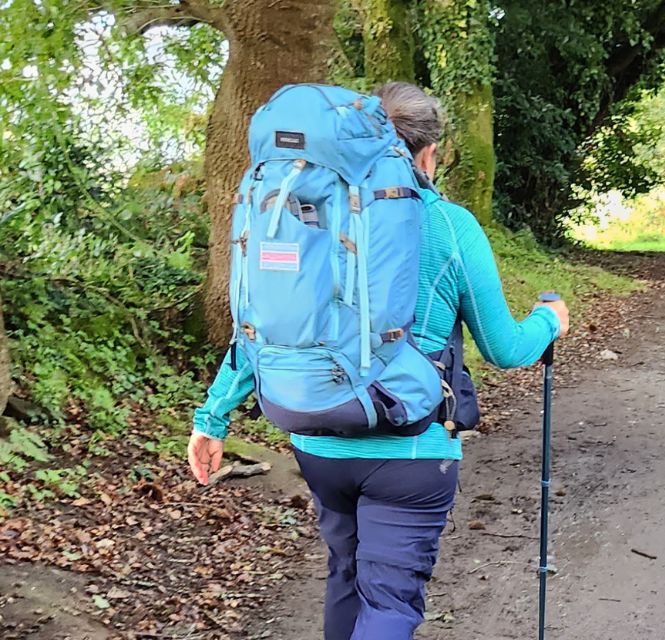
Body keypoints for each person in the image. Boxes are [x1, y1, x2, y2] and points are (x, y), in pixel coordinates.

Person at [187, 81, 570, 640]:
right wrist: (550, 322)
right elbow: (505, 349)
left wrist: (211, 418)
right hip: (408, 448)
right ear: (430, 152)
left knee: (345, 575)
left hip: (316, 438)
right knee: (389, 600)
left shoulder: (300, 211)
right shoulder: (447, 224)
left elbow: (260, 327)